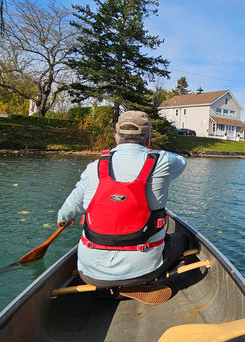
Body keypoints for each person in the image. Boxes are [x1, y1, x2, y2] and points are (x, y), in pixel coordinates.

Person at [57, 110, 188, 288]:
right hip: (143, 270)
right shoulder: (163, 161)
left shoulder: (93, 167)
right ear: (148, 139)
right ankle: (139, 281)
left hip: (89, 273)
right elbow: (182, 161)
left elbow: (67, 211)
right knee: (182, 238)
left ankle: (108, 288)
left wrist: (64, 219)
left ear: (116, 137)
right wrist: (149, 151)